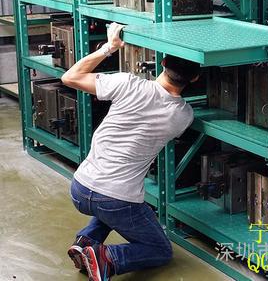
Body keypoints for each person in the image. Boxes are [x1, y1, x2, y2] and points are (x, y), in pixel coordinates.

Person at [61, 22, 199, 281]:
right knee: (160, 250)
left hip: (80, 188)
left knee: (113, 207)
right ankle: (107, 259)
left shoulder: (126, 83)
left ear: (162, 63)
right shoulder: (183, 116)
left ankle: (86, 242)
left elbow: (70, 77)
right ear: (195, 79)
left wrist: (109, 48)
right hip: (116, 200)